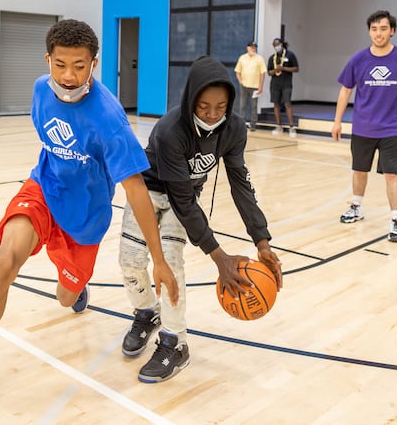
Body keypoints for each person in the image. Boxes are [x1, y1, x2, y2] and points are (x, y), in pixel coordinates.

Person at [0, 19, 179, 421]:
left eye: (80, 66)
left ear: (95, 64)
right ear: (48, 60)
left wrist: (158, 258)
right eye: (61, 65)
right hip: (43, 192)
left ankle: (75, 285)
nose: (69, 77)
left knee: (65, 297)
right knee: (4, 264)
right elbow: (49, 141)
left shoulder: (109, 120)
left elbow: (136, 191)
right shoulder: (40, 90)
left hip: (84, 220)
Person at [118, 55, 283, 383]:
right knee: (131, 262)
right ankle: (147, 312)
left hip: (186, 198)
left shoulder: (234, 129)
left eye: (220, 106)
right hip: (150, 191)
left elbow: (240, 184)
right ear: (190, 98)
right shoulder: (170, 131)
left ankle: (175, 342)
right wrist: (218, 256)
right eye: (204, 106)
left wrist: (261, 242)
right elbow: (178, 198)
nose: (211, 114)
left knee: (172, 265)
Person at [332, 10, 397, 242]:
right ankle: (356, 207)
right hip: (363, 127)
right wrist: (337, 121)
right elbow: (345, 91)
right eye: (374, 29)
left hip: (391, 128)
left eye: (383, 28)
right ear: (369, 31)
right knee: (359, 170)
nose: (378, 33)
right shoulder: (358, 59)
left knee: (391, 174)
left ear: (392, 31)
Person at [266, 37, 299, 136]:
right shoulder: (272, 57)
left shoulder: (290, 55)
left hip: (286, 84)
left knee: (287, 104)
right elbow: (269, 72)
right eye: (275, 46)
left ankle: (291, 127)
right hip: (275, 84)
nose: (277, 47)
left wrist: (284, 68)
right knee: (276, 104)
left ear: (282, 44)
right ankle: (278, 126)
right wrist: (276, 70)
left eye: (278, 45)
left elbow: (296, 68)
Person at [234, 40, 267, 131]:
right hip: (244, 86)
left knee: (253, 106)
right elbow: (237, 71)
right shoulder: (242, 58)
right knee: (242, 105)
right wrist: (240, 81)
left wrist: (261, 86)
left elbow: (262, 73)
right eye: (252, 47)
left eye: (255, 47)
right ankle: (242, 124)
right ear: (247, 48)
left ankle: (253, 125)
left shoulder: (259, 58)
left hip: (255, 86)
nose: (253, 49)